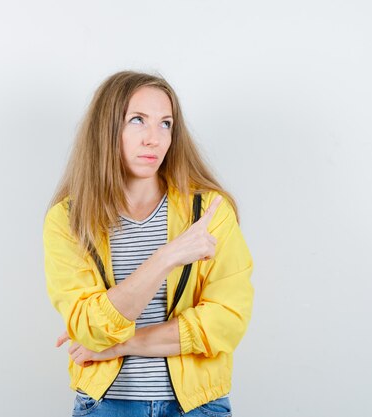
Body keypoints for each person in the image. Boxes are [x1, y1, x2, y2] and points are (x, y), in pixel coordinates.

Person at [43, 70, 254, 416]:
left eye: (166, 124)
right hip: (107, 405)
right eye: (138, 120)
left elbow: (227, 320)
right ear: (106, 129)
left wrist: (120, 345)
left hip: (197, 406)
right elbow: (88, 327)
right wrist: (167, 257)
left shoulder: (209, 211)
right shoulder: (68, 220)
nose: (154, 138)